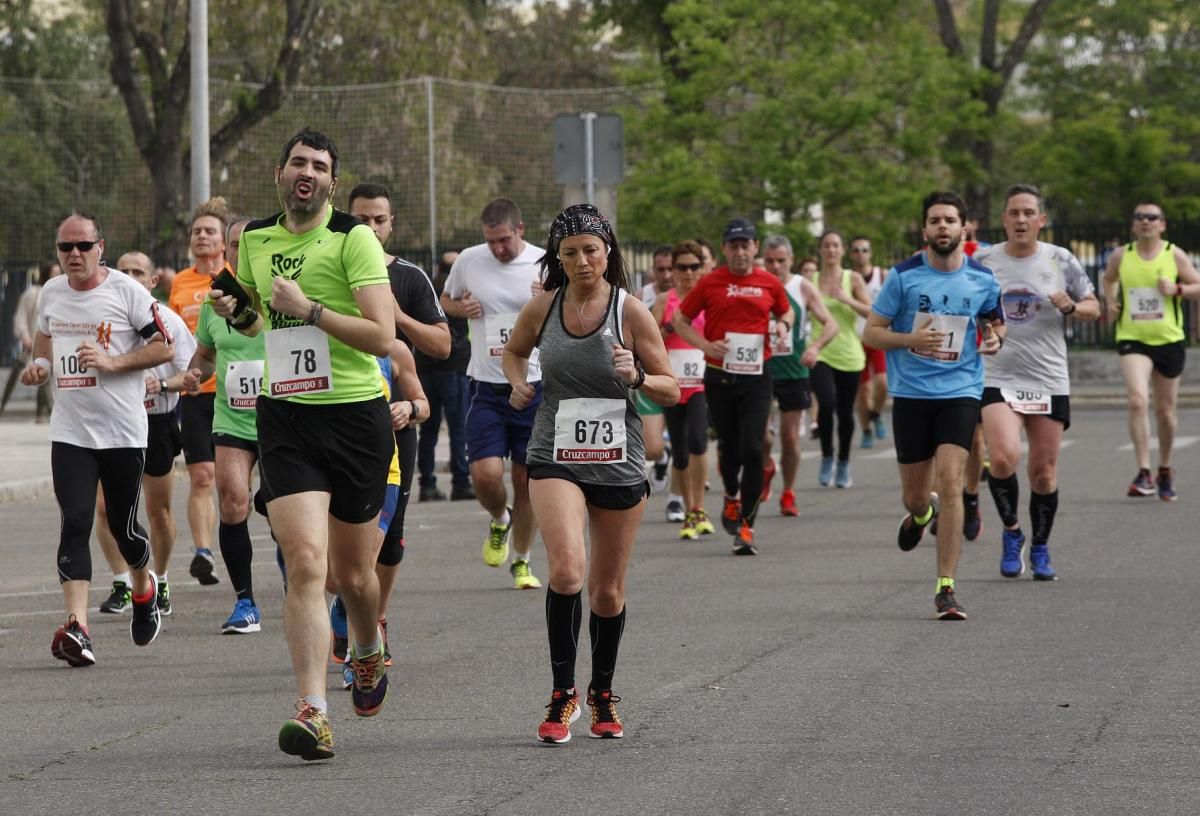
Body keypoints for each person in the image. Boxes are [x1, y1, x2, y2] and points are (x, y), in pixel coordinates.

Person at [210, 128, 397, 760]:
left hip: (355, 417)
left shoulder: (354, 238)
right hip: (287, 414)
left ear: (332, 183)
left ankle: (368, 647)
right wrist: (239, 311)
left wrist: (312, 309)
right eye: (297, 163)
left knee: (353, 574)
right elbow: (264, 321)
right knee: (307, 565)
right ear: (279, 173)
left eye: (319, 165)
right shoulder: (256, 240)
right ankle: (314, 711)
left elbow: (382, 335)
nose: (307, 173)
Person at [502, 203, 678, 743]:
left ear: (608, 253)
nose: (582, 261)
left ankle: (602, 692)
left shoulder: (631, 311)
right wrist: (517, 381)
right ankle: (563, 694)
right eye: (571, 252)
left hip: (618, 458)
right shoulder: (543, 307)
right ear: (558, 257)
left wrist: (639, 374)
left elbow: (672, 386)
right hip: (555, 451)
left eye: (591, 251)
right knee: (567, 571)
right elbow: (513, 352)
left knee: (605, 591)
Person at [23, 211, 174, 665]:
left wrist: (113, 363)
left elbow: (163, 346)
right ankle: (78, 627)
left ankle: (144, 587)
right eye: (65, 247)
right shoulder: (51, 292)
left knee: (124, 529)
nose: (74, 255)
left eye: (83, 247)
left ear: (100, 247)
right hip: (71, 431)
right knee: (75, 521)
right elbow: (45, 340)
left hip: (122, 430)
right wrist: (42, 368)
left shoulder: (125, 291)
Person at [862, 191, 1005, 620]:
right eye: (935, 221)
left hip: (960, 391)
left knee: (952, 477)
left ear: (964, 228)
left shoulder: (982, 279)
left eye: (949, 220)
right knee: (915, 497)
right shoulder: (904, 277)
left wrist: (997, 339)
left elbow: (995, 325)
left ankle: (946, 587)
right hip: (910, 395)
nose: (942, 227)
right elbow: (871, 333)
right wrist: (909, 340)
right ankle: (922, 514)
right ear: (925, 230)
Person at [976, 184, 1100, 581]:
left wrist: (1073, 306)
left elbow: (1095, 308)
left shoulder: (1060, 259)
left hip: (1047, 376)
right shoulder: (983, 262)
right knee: (1002, 457)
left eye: (1029, 212)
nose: (1021, 219)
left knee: (1043, 472)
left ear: (1041, 220)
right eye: (1013, 213)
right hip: (999, 373)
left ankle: (1041, 546)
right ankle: (1013, 533)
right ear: (1004, 219)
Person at [346, 182, 451, 639]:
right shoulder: (328, 267)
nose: (369, 227)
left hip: (395, 415)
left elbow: (443, 345)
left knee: (389, 536)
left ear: (391, 224)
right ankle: (343, 607)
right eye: (361, 219)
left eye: (378, 220)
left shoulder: (409, 277)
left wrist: (397, 318)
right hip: (336, 412)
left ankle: (374, 620)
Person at [672, 218, 793, 555]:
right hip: (719, 376)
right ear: (725, 249)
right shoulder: (711, 282)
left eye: (746, 244)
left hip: (757, 376)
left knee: (753, 448)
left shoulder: (769, 282)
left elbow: (786, 313)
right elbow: (680, 320)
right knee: (729, 447)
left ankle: (746, 526)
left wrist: (783, 325)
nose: (740, 251)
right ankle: (729, 493)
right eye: (734, 245)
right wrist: (704, 345)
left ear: (755, 248)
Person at [440, 198, 544, 589]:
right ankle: (500, 519)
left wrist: (548, 298)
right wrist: (459, 307)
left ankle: (522, 560)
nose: (497, 248)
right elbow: (446, 300)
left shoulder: (545, 263)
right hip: (486, 383)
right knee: (485, 475)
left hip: (533, 383)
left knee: (526, 479)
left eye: (503, 240)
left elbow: (572, 312)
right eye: (491, 241)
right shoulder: (468, 260)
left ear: (519, 230)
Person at [179, 215, 272, 633]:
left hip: (284, 418)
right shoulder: (216, 299)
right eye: (234, 244)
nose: (239, 250)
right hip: (232, 415)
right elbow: (206, 352)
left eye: (247, 243)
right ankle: (245, 602)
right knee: (233, 500)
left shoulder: (279, 291)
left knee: (281, 508)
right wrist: (194, 371)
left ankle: (300, 583)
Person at [94, 253, 194, 617]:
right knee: (106, 510)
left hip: (156, 422)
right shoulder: (105, 318)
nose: (132, 277)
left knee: (159, 511)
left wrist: (162, 383)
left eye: (140, 272)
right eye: (126, 272)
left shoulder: (169, 321)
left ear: (153, 282)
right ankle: (123, 581)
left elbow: (192, 376)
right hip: (113, 421)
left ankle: (161, 579)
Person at [1102, 201, 1200, 500]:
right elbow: (1109, 279)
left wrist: (1178, 290)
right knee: (1136, 400)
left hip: (1169, 339)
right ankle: (1144, 471)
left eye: (1152, 217)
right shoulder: (1122, 255)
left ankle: (1165, 468)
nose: (1146, 221)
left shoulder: (1174, 254)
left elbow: (1198, 285)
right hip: (1133, 337)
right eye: (1140, 217)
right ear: (1133, 224)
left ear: (1162, 224)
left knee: (1165, 412)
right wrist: (1110, 301)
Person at [168, 198, 232, 588]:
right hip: (194, 393)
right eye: (197, 232)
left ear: (224, 241)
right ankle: (203, 552)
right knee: (202, 476)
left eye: (210, 231)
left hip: (233, 393)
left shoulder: (235, 277)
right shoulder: (180, 282)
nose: (202, 236)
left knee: (230, 482)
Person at [760, 235, 838, 516]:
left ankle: (788, 491)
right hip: (759, 370)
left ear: (791, 260)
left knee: (790, 437)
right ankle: (767, 465)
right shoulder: (756, 284)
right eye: (770, 261)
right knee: (761, 436)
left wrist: (815, 348)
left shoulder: (801, 287)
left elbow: (831, 324)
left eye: (781, 261)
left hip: (794, 371)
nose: (775, 266)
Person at [652, 240, 715, 538]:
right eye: (682, 267)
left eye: (694, 266)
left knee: (697, 441)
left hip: (702, 382)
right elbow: (648, 339)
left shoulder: (709, 297)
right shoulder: (665, 301)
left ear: (702, 268)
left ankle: (699, 508)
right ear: (674, 270)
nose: (688, 273)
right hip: (673, 383)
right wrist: (668, 329)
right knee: (679, 449)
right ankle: (691, 512)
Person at [811, 230, 871, 488]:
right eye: (827, 246)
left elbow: (871, 312)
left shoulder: (853, 278)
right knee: (825, 404)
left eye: (836, 245)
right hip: (821, 350)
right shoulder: (810, 279)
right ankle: (827, 456)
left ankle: (844, 462)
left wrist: (846, 299)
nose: (832, 250)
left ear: (842, 250)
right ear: (821, 250)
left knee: (845, 412)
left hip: (849, 353)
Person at [416, 250, 474, 502]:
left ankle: (427, 484)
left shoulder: (428, 291)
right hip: (453, 370)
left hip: (426, 370)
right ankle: (460, 481)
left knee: (428, 431)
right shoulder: (459, 295)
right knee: (458, 429)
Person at [638, 245, 675, 502]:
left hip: (686, 377)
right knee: (650, 449)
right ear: (653, 271)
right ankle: (662, 457)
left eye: (671, 268)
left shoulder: (689, 295)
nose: (667, 274)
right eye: (661, 269)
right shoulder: (641, 296)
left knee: (691, 446)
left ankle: (681, 502)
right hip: (652, 378)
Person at [6, 260, 60, 421]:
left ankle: (42, 413)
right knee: (38, 375)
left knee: (45, 379)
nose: (58, 276)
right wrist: (25, 337)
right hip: (34, 343)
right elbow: (20, 317)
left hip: (55, 344)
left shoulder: (62, 293)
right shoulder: (33, 294)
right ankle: (48, 412)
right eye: (54, 273)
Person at [849, 236, 889, 448]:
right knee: (863, 389)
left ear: (870, 253)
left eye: (864, 249)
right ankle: (866, 429)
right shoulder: (848, 279)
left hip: (878, 337)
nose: (860, 253)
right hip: (856, 339)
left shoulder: (882, 276)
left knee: (882, 382)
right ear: (851, 254)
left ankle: (876, 413)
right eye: (856, 250)